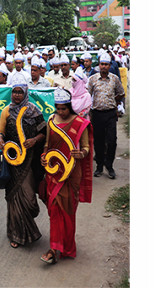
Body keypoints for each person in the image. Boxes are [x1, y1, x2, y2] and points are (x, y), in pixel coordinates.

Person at [39, 88, 93, 264]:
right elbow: (47, 144)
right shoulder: (51, 120)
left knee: (68, 211)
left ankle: (68, 247)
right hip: (54, 173)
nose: (60, 112)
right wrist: (44, 158)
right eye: (58, 108)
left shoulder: (80, 123)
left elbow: (85, 147)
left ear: (69, 106)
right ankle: (54, 248)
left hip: (71, 173)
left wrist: (81, 154)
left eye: (63, 108)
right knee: (54, 210)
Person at [0, 73, 46, 248]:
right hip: (12, 160)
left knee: (29, 198)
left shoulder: (34, 111)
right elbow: (1, 132)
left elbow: (44, 133)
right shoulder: (6, 111)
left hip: (29, 161)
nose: (16, 95)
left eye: (20, 92)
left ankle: (26, 223)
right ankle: (16, 234)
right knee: (14, 197)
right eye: (14, 92)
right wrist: (1, 140)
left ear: (25, 92)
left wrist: (34, 140)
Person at [87, 53, 125, 179]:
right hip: (97, 114)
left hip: (110, 114)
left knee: (112, 141)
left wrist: (114, 101)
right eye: (102, 64)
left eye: (106, 64)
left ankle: (109, 165)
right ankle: (99, 166)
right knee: (98, 141)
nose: (104, 67)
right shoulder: (92, 79)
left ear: (110, 66)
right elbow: (87, 95)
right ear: (99, 65)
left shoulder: (114, 79)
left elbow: (121, 93)